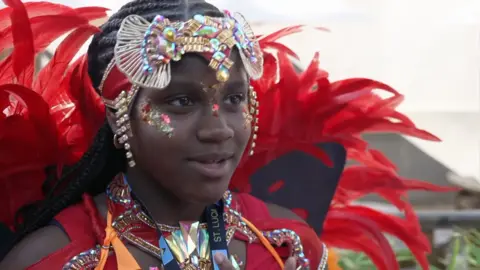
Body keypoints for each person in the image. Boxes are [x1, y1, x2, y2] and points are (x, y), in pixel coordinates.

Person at [0, 0, 454, 269]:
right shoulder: (56, 259)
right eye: (180, 102)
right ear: (122, 118)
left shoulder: (286, 245)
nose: (218, 129)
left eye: (234, 99)